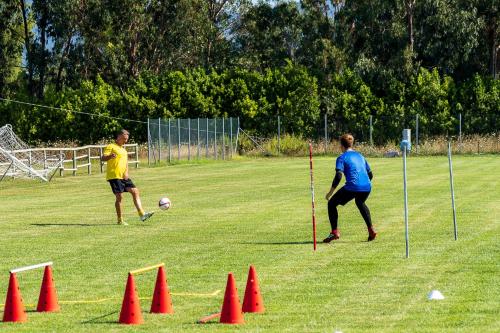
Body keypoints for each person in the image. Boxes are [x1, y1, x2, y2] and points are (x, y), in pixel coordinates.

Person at [324, 134, 377, 242]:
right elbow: (370, 175)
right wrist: (363, 185)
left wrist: (330, 193)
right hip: (367, 186)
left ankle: (334, 232)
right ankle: (371, 230)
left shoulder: (341, 157)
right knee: (360, 202)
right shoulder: (360, 156)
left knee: (331, 204)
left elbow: (338, 176)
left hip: (352, 186)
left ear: (341, 146)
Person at [102, 129, 153, 225]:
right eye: (125, 139)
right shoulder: (111, 146)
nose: (126, 141)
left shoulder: (124, 150)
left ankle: (142, 214)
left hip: (123, 176)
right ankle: (120, 220)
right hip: (114, 176)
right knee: (119, 198)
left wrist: (126, 173)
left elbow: (125, 164)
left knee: (135, 191)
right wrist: (110, 156)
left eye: (127, 139)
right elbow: (103, 158)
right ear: (119, 136)